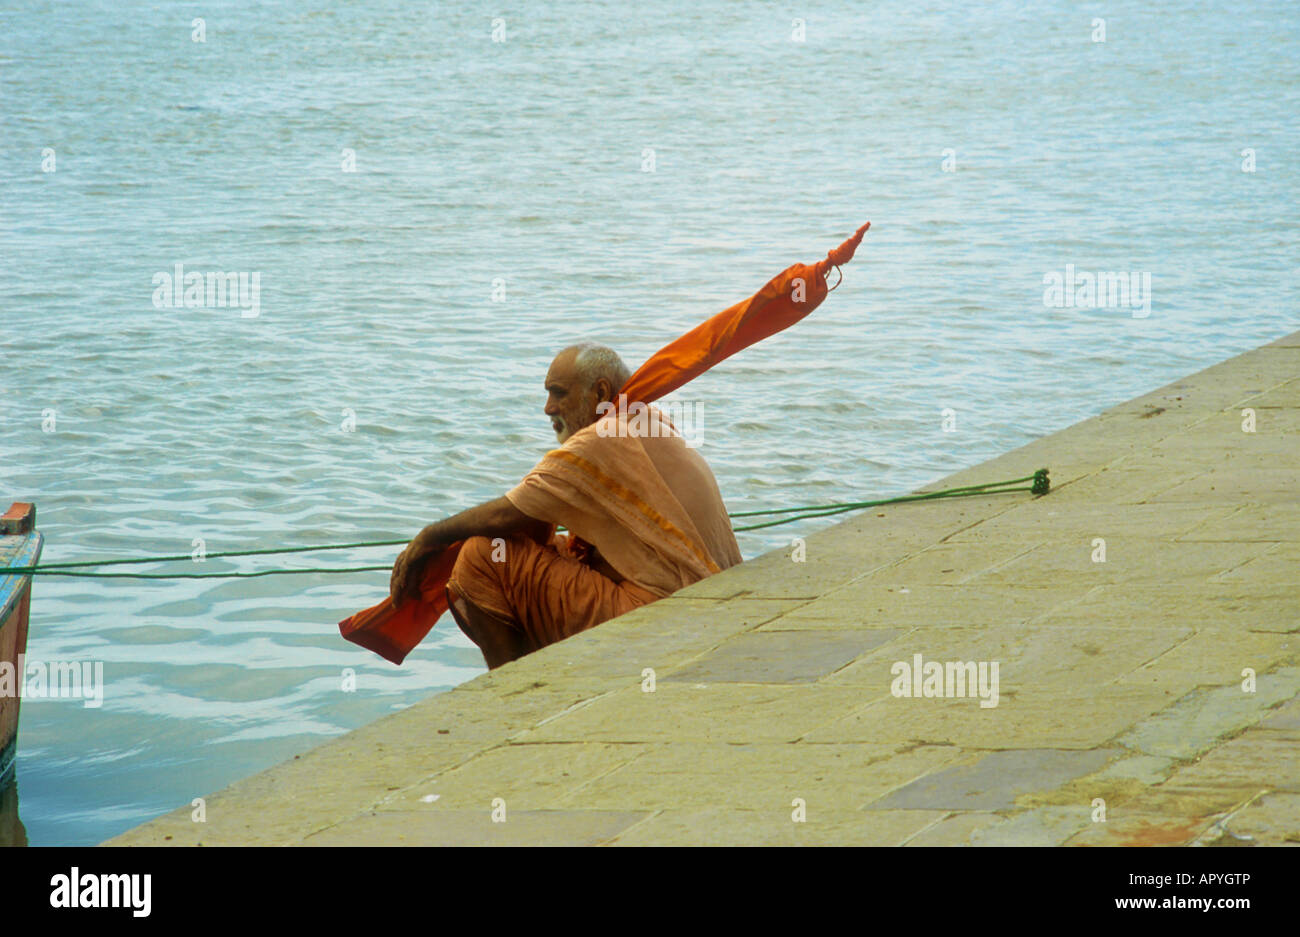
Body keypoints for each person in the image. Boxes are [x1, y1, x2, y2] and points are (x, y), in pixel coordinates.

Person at [387, 342, 741, 668]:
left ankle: (511, 692)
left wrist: (428, 537)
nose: (548, 409)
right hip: (708, 595)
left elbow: (502, 515)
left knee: (482, 555)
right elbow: (533, 520)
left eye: (559, 394)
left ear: (600, 392)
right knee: (535, 549)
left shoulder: (600, 439)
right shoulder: (648, 418)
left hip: (666, 612)